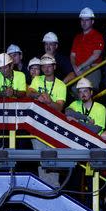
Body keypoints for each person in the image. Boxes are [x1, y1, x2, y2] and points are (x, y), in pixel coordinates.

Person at [28, 54, 67, 186]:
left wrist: (49, 102)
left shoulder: (61, 85)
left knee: (51, 157)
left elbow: (60, 107)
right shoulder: (37, 79)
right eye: (43, 66)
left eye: (49, 66)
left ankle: (54, 187)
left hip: (53, 126)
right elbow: (29, 92)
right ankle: (43, 187)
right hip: (37, 124)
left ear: (54, 67)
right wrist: (39, 95)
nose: (46, 69)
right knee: (41, 157)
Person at [70, 7, 105, 91]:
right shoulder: (77, 37)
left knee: (86, 92)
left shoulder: (97, 36)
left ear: (92, 21)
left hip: (91, 69)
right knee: (71, 89)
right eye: (82, 20)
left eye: (87, 20)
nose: (84, 22)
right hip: (78, 70)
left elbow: (96, 55)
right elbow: (72, 55)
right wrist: (75, 67)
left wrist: (80, 67)